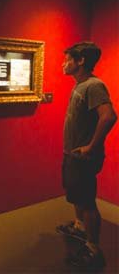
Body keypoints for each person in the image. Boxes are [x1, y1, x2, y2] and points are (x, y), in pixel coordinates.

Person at [56, 41, 116, 270]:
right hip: (72, 155)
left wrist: (91, 146)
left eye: (68, 59)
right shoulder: (80, 85)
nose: (64, 64)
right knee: (77, 195)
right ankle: (80, 227)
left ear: (80, 61)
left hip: (83, 158)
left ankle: (93, 248)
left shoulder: (94, 85)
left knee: (87, 200)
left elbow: (109, 116)